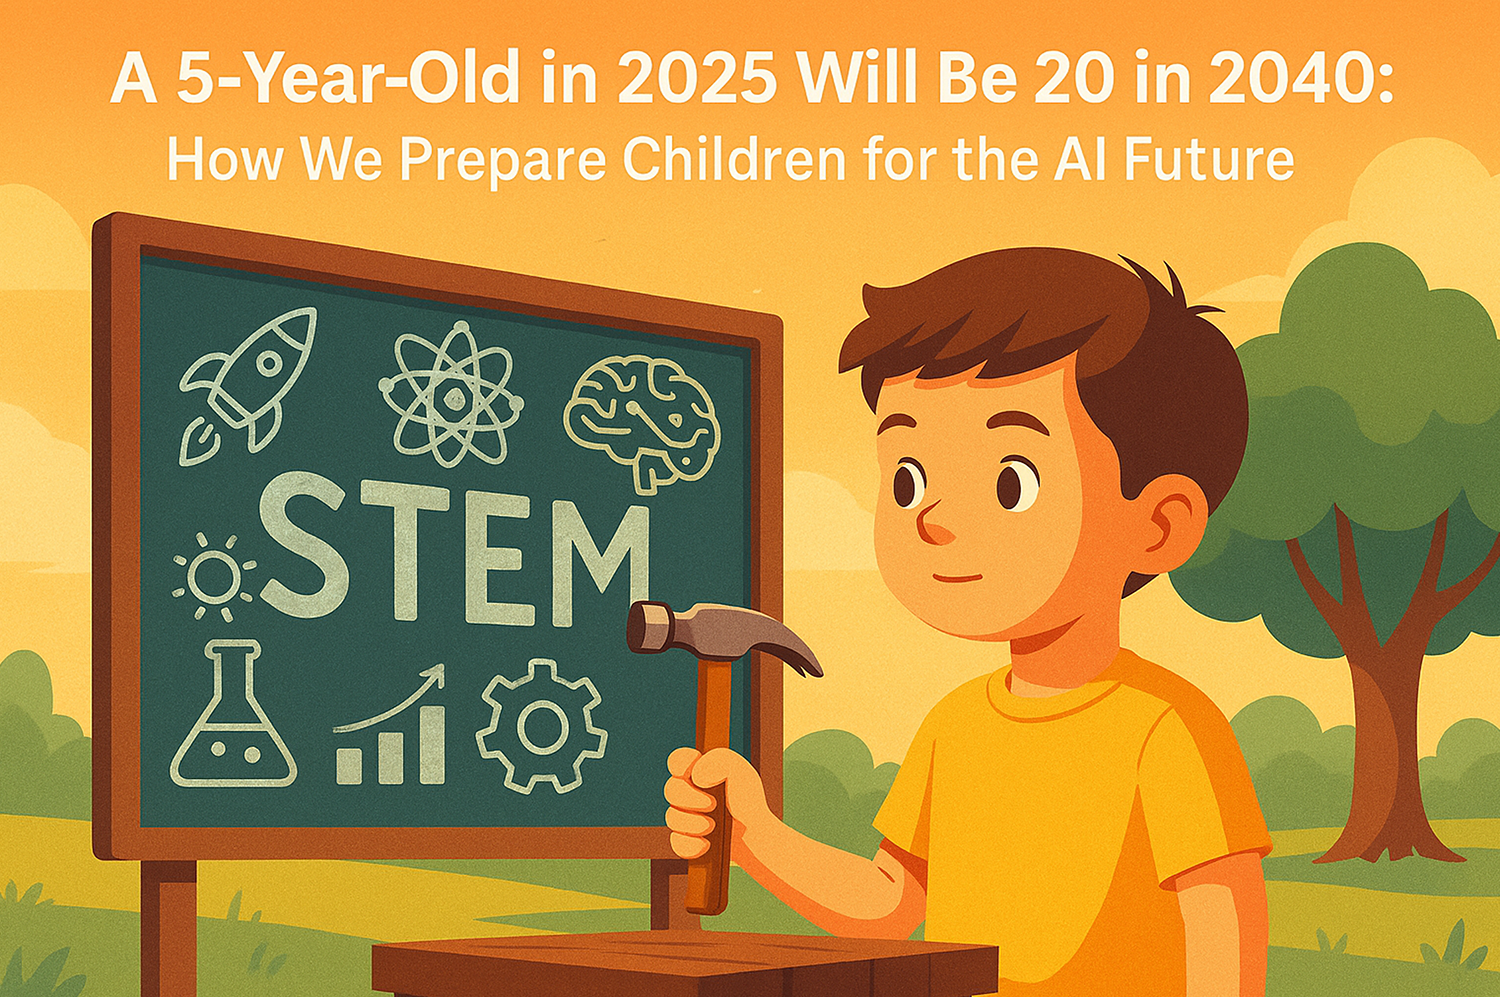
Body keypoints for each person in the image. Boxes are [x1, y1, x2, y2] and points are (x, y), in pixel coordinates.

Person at [664, 247, 1273, 996]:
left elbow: (1222, 928)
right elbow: (889, 903)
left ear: (1157, 524)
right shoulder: (953, 728)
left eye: (1012, 480)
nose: (934, 517)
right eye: (909, 474)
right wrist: (755, 836)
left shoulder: (1167, 728)